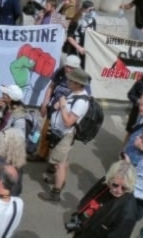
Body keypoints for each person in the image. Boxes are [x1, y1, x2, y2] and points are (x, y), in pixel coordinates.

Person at [38, 68, 92, 202]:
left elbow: (68, 122)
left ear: (78, 84)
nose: (67, 81)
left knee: (59, 164)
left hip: (64, 135)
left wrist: (62, 106)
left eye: (71, 80)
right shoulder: (74, 93)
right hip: (61, 133)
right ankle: (58, 180)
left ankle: (55, 193)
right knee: (63, 160)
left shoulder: (81, 101)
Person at [67, 160, 139, 237]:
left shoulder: (128, 212)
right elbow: (86, 203)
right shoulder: (105, 182)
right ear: (109, 179)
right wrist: (73, 226)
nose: (118, 190)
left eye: (124, 188)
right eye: (115, 185)